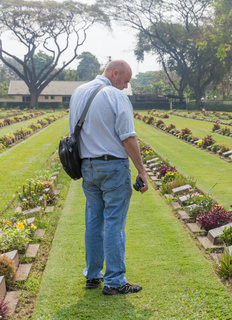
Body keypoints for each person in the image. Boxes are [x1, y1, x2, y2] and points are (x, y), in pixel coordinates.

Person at [69, 60, 148, 295]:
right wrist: (141, 170)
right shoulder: (115, 95)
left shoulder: (78, 92)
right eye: (125, 81)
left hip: (88, 167)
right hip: (113, 166)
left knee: (93, 222)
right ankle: (115, 280)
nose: (125, 87)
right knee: (114, 223)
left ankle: (93, 275)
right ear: (115, 73)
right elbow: (127, 136)